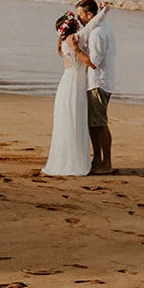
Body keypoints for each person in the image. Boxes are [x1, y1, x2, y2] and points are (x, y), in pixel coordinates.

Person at [42, 11, 91, 176]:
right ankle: (75, 162)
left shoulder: (64, 41)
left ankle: (68, 159)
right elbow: (91, 26)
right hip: (74, 83)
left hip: (68, 82)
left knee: (69, 121)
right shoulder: (74, 40)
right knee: (75, 120)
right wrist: (104, 12)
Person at [76, 0, 116, 174]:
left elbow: (94, 62)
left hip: (99, 82)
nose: (79, 20)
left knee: (100, 123)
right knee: (94, 123)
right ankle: (97, 159)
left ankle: (106, 162)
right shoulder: (101, 28)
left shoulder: (97, 33)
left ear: (89, 14)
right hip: (99, 81)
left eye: (81, 16)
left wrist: (77, 50)